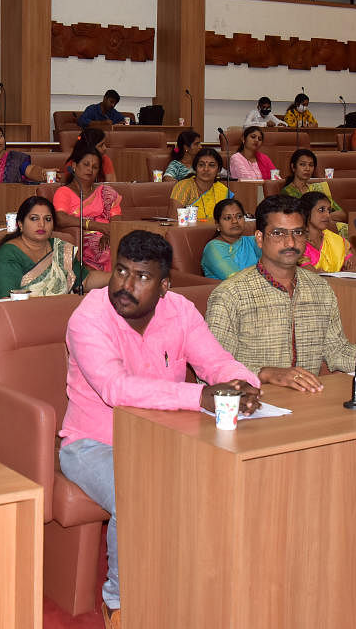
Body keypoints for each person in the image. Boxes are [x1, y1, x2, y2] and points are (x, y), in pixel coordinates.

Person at [58, 230, 261, 629]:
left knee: (233, 478)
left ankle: (200, 588)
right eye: (120, 272)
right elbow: (116, 389)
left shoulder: (180, 311)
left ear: (165, 285)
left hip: (168, 436)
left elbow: (215, 362)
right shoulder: (89, 316)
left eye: (141, 277)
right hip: (93, 443)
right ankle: (120, 601)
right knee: (137, 491)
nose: (125, 286)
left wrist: (242, 383)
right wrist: (200, 396)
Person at [206, 195, 356, 393]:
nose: (290, 242)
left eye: (298, 232)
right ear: (259, 238)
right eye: (278, 233)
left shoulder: (319, 289)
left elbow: (338, 352)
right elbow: (211, 366)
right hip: (251, 402)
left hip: (308, 401)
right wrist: (266, 374)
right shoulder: (230, 295)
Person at [0, 196, 108, 298]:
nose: (42, 224)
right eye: (34, 219)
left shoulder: (59, 248)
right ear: (20, 224)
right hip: (19, 319)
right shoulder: (7, 255)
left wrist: (118, 277)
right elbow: (7, 301)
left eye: (48, 219)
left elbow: (84, 280)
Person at [53, 150, 122, 270]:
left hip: (109, 236)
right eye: (86, 164)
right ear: (74, 166)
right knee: (105, 251)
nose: (90, 169)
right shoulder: (63, 192)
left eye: (95, 167)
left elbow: (117, 219)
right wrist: (96, 226)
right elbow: (60, 218)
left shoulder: (106, 192)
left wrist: (110, 232)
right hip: (82, 239)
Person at [281, 148, 346, 222]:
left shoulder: (318, 188)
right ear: (293, 167)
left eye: (311, 165)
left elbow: (342, 215)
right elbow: (297, 219)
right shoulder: (287, 192)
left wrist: (323, 217)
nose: (307, 168)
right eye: (302, 164)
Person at [201, 198, 261, 279]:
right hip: (230, 290)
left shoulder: (253, 241)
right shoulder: (213, 248)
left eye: (239, 216)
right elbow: (236, 280)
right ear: (217, 225)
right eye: (228, 218)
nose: (235, 221)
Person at [298, 191, 356, 272]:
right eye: (321, 210)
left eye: (329, 210)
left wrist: (345, 274)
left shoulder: (337, 240)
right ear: (306, 212)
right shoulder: (298, 242)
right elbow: (310, 275)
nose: (328, 215)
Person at [170, 148, 231, 221]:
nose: (206, 169)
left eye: (211, 165)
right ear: (195, 168)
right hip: (187, 231)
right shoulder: (183, 187)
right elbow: (172, 220)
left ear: (218, 170)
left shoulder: (222, 190)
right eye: (201, 165)